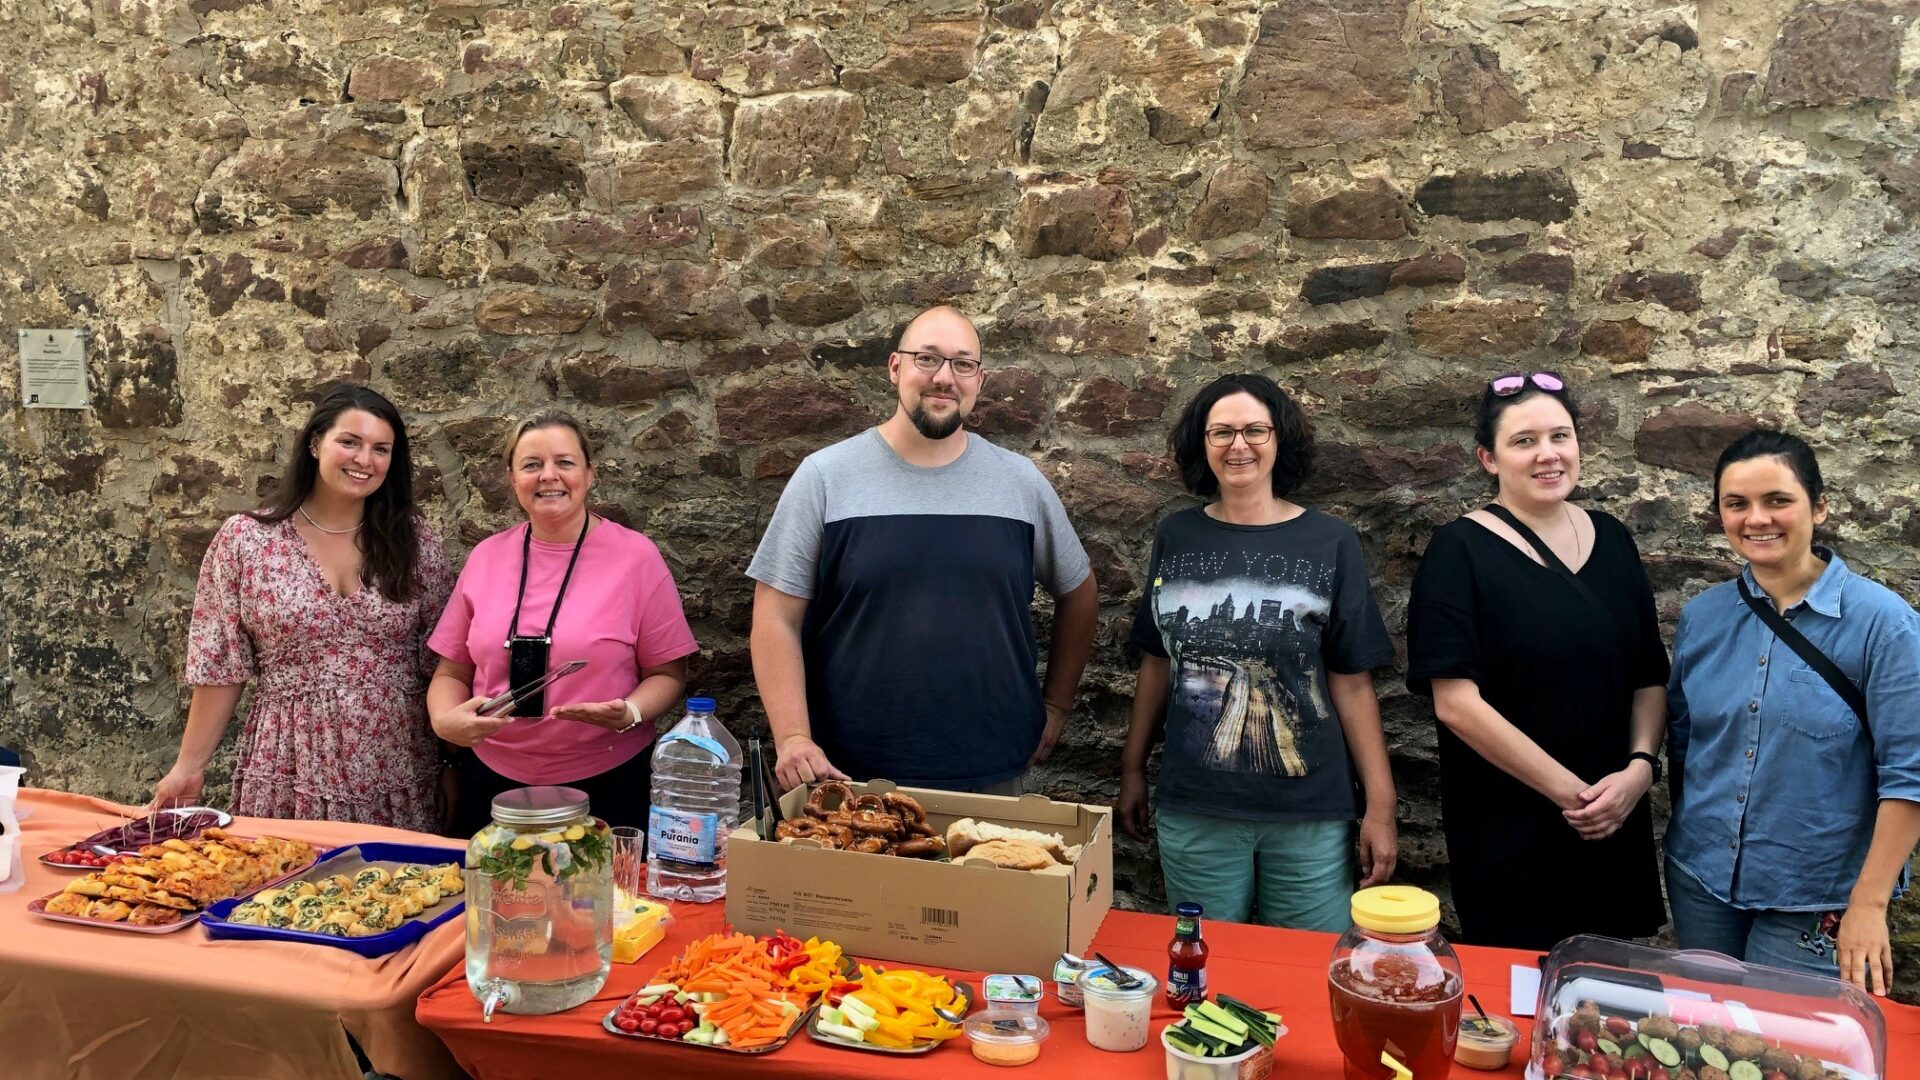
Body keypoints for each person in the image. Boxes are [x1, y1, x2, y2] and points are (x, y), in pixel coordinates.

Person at [748, 305, 1099, 794]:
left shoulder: (1021, 482)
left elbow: (1079, 593)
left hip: (992, 769)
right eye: (927, 359)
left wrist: (1058, 704)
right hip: (847, 775)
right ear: (895, 368)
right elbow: (774, 617)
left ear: (979, 378)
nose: (944, 378)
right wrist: (792, 737)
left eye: (962, 363)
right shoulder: (826, 477)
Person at [1117, 374, 1397, 931]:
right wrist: (1131, 769)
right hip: (1197, 805)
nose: (1237, 445)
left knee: (1305, 975)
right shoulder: (1177, 535)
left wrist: (1381, 805)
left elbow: (1351, 680)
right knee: (1205, 974)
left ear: (1279, 439)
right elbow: (1157, 661)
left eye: (1254, 430)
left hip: (1310, 812)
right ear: (1202, 443)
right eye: (1221, 432)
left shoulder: (1330, 541)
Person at [1405, 372, 1668, 950]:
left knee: (1609, 1012)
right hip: (1513, 827)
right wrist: (1574, 796)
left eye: (1560, 436)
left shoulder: (1613, 539)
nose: (1548, 454)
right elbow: (1456, 704)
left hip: (1614, 820)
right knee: (1520, 1004)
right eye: (1524, 441)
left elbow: (1649, 676)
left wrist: (1639, 770)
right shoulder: (1459, 552)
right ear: (1488, 458)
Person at [1666, 430, 1920, 995]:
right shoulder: (1703, 618)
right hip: (1701, 877)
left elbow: (1911, 774)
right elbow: (1686, 742)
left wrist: (1869, 904)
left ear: (1819, 505)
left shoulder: (1885, 625)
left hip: (1816, 894)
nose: (1757, 519)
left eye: (1777, 500)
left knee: (1783, 1050)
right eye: (1737, 504)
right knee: (1708, 1034)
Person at [152, 385, 453, 831]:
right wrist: (188, 765)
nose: (364, 460)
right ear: (315, 443)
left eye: (380, 449)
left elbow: (444, 663)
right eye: (349, 442)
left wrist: (452, 765)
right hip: (290, 760)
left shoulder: (415, 541)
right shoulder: (247, 542)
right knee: (290, 890)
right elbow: (221, 665)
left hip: (399, 761)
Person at [427, 411, 697, 836]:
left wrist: (630, 711)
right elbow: (451, 671)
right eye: (532, 464)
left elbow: (668, 673)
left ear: (589, 474)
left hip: (607, 782)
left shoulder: (636, 558)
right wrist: (444, 720)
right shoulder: (485, 557)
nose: (548, 475)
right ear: (513, 479)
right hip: (493, 783)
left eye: (564, 463)